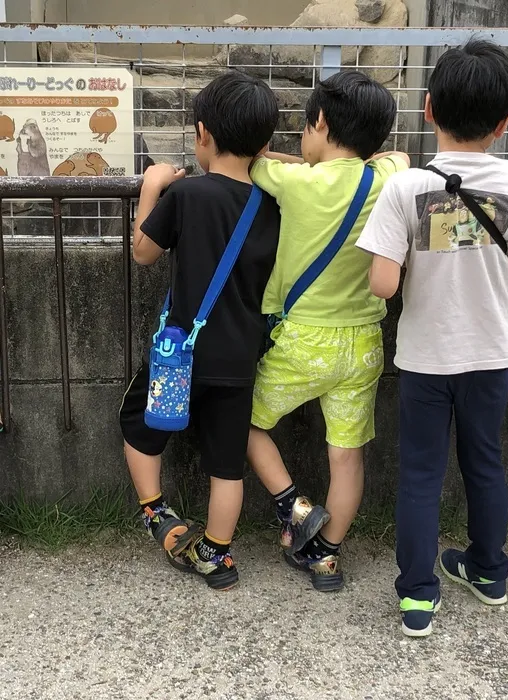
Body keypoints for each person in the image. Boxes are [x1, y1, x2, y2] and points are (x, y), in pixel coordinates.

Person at [356, 39, 508, 636]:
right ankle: (489, 572)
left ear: (427, 108)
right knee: (485, 464)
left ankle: (418, 596)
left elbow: (382, 285)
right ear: (505, 122)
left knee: (421, 474)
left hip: (425, 355)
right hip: (491, 352)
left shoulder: (405, 189)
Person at [246, 70, 410, 593]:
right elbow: (399, 158)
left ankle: (294, 506)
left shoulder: (296, 183)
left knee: (240, 420)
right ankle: (325, 557)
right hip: (363, 343)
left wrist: (296, 160)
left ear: (319, 121)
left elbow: (250, 163)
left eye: (304, 129)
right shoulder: (386, 179)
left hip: (304, 343)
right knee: (346, 455)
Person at [119, 71, 281, 590]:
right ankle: (217, 555)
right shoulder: (273, 205)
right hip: (240, 358)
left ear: (202, 134)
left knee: (139, 425)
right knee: (226, 465)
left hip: (180, 355)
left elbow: (143, 253)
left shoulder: (188, 196)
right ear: (266, 144)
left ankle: (155, 511)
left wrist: (150, 187)